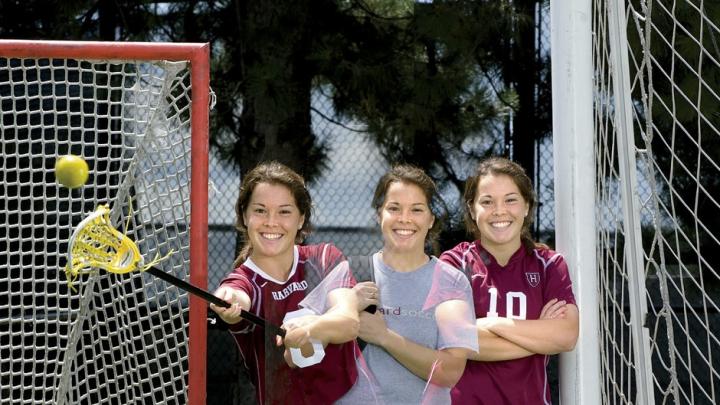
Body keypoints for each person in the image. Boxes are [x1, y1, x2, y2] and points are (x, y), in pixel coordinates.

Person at [209, 161, 363, 405]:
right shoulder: (244, 282)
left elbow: (349, 322)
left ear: (301, 218)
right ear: (244, 216)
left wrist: (310, 328)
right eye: (260, 210)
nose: (271, 222)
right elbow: (235, 294)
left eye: (284, 211)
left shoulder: (324, 259)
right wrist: (228, 301)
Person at [440, 156, 579, 404]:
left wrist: (493, 323)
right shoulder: (454, 264)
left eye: (511, 200)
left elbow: (566, 335)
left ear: (526, 206)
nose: (500, 211)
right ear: (473, 209)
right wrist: (540, 338)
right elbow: (453, 340)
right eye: (487, 201)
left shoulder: (548, 265)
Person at [343, 164, 479, 404]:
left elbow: (450, 372)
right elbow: (307, 343)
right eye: (394, 208)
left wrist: (384, 336)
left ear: (430, 219)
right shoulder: (349, 273)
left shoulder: (451, 282)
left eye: (416, 210)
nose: (404, 219)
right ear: (379, 215)